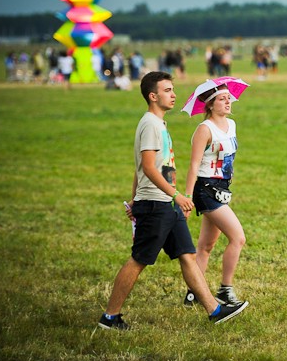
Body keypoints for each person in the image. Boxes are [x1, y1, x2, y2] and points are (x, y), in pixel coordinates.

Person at [98, 72, 247, 330]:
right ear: (153, 96)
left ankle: (214, 310)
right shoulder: (151, 125)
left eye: (173, 89)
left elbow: (141, 168)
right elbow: (147, 167)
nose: (174, 94)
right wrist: (176, 195)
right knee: (139, 260)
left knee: (188, 255)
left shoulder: (160, 124)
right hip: (158, 203)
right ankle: (110, 317)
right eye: (168, 90)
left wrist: (136, 197)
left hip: (165, 202)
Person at [183, 84, 250, 310]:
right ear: (210, 104)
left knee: (206, 246)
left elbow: (228, 159)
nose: (228, 102)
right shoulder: (204, 129)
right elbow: (193, 165)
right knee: (238, 238)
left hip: (222, 188)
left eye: (228, 98)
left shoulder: (231, 124)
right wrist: (187, 197)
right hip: (205, 189)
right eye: (222, 99)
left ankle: (193, 293)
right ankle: (225, 290)